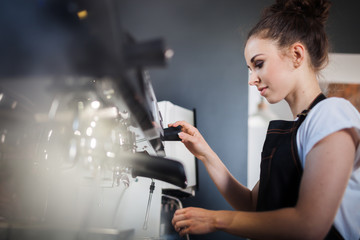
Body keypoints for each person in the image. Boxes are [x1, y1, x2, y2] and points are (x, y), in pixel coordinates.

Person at [170, 0, 360, 239]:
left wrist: (216, 219)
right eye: (250, 69)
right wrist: (206, 154)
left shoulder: (331, 113)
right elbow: (253, 205)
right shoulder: (299, 128)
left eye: (258, 64)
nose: (252, 79)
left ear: (297, 54)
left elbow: (310, 225)